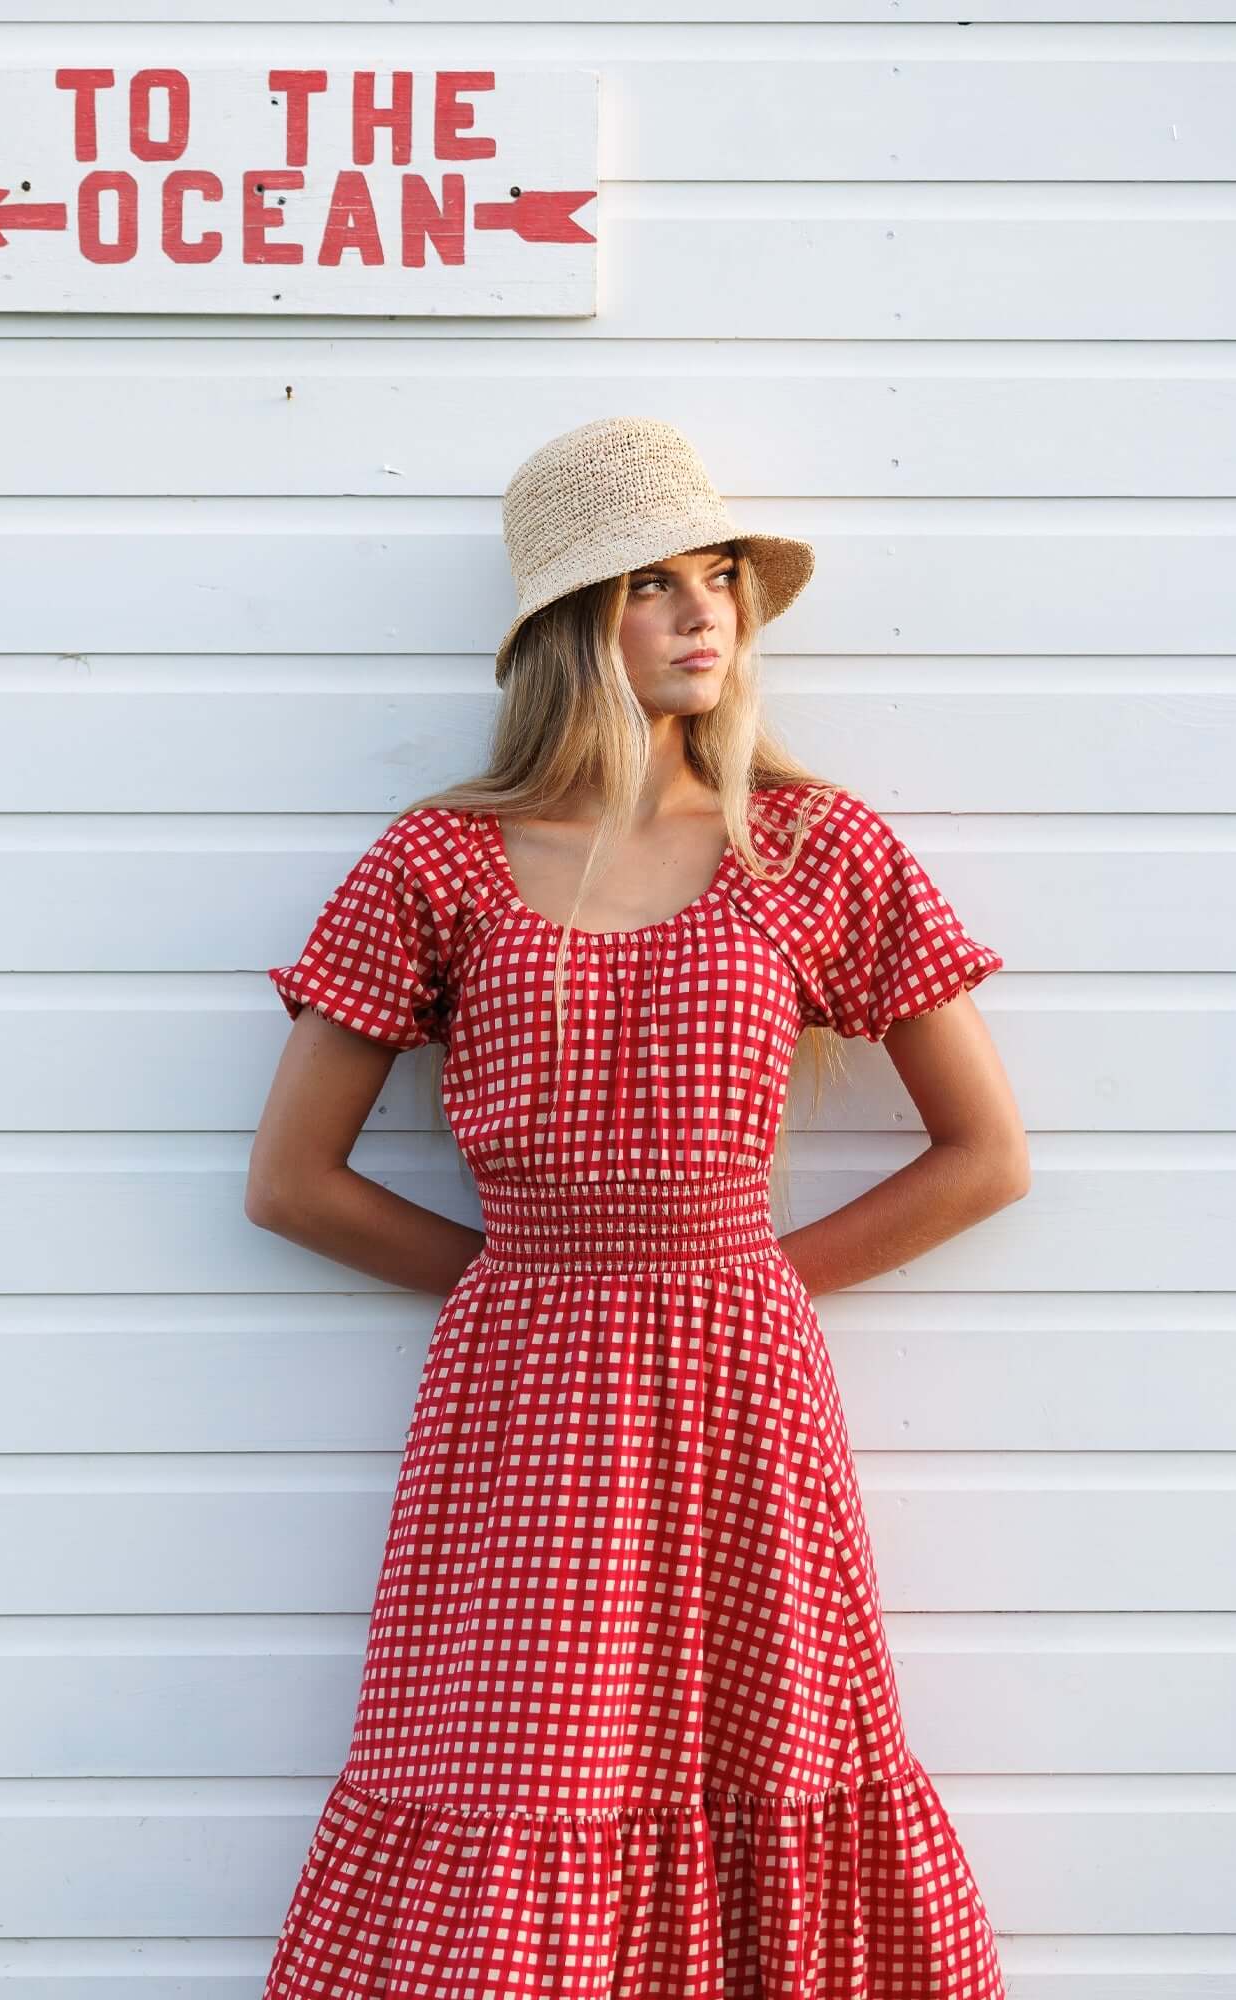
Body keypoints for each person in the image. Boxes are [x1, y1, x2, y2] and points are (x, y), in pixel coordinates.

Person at [248, 416, 1026, 1997]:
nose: (704, 615)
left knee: (769, 1743)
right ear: (564, 630)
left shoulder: (808, 846)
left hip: (745, 1386)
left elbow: (984, 1154)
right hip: (524, 1392)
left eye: (720, 577)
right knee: (519, 1767)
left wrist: (741, 1279)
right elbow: (293, 1183)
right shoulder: (440, 863)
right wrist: (531, 1281)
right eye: (651, 585)